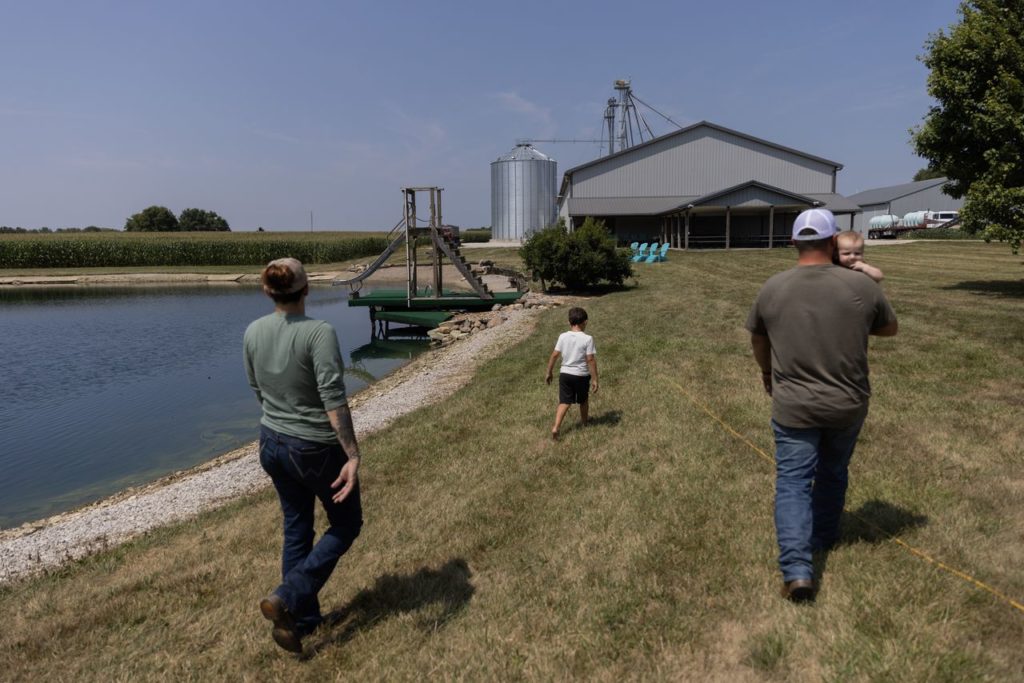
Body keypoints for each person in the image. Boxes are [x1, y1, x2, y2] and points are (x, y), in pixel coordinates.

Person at [745, 209, 898, 603]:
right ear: (833, 243)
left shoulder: (772, 288)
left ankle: (797, 571)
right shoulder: (861, 286)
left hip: (793, 403)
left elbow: (759, 340)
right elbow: (888, 328)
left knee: (794, 482)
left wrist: (766, 374)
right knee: (833, 471)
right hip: (848, 402)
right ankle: (824, 537)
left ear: (794, 243)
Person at [243, 257, 363, 652]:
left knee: (297, 528)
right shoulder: (319, 332)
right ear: (306, 290)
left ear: (267, 291)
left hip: (271, 443)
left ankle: (302, 621)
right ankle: (289, 596)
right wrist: (352, 455)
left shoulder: (253, 331)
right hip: (312, 447)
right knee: (346, 524)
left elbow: (257, 388)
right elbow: (333, 398)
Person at [545, 307, 598, 440]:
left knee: (564, 401)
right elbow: (590, 359)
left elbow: (555, 355)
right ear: (585, 322)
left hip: (565, 375)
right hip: (581, 375)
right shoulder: (588, 339)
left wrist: (549, 372)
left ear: (569, 322)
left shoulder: (563, 336)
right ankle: (584, 423)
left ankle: (556, 426)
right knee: (583, 400)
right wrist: (595, 379)